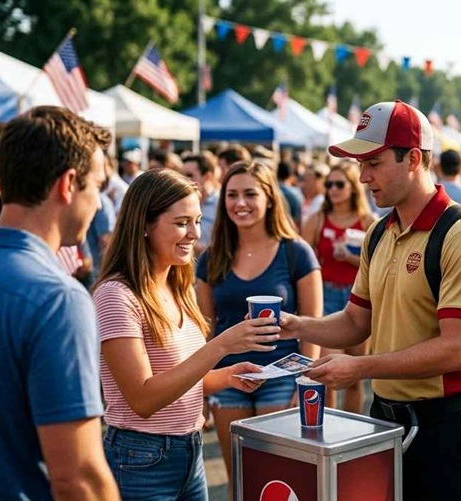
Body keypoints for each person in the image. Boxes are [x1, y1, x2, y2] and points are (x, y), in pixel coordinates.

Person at [282, 100, 461, 499]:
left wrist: (360, 367)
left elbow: (456, 351)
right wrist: (294, 325)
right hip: (385, 419)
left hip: (448, 429)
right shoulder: (380, 232)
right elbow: (354, 322)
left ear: (413, 158)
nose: (362, 176)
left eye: (374, 163)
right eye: (360, 165)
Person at [92, 169, 276, 499]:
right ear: (145, 225)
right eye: (181, 222)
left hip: (189, 454)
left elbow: (178, 379)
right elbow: (143, 399)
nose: (194, 233)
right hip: (140, 458)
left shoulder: (177, 285)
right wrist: (222, 345)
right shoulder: (116, 295)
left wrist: (227, 377)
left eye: (197, 220)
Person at [0, 106, 119, 498]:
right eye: (98, 188)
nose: (101, 204)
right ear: (69, 184)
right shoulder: (57, 298)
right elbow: (78, 477)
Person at [195, 159, 323, 486]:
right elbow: (204, 328)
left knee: (278, 479)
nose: (240, 203)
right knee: (239, 478)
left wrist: (305, 382)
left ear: (269, 197)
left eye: (250, 194)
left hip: (281, 377)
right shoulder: (211, 257)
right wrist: (202, 388)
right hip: (227, 379)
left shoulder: (296, 252)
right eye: (232, 194)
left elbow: (313, 323)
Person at [301, 162, 377, 413]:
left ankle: (352, 431)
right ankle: (330, 427)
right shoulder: (318, 220)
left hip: (359, 296)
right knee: (329, 372)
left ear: (353, 187)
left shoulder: (368, 221)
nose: (333, 189)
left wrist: (351, 258)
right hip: (327, 294)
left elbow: (378, 263)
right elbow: (303, 261)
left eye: (339, 184)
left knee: (354, 373)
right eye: (329, 184)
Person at [182, 152, 221, 253]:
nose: (184, 180)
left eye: (189, 175)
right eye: (181, 175)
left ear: (207, 176)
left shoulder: (222, 204)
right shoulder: (180, 203)